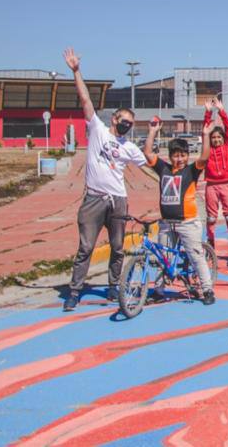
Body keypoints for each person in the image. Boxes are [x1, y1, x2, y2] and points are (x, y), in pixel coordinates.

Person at [61, 48, 150, 312]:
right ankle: (75, 291)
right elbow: (85, 99)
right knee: (85, 247)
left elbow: (151, 165)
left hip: (118, 201)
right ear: (114, 119)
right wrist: (76, 71)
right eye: (124, 121)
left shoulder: (129, 147)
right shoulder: (98, 130)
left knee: (118, 247)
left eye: (130, 124)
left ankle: (113, 286)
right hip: (94, 198)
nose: (126, 126)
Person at [144, 118, 217, 305]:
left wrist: (206, 135)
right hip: (167, 223)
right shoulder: (164, 170)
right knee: (164, 258)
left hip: (188, 222)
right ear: (170, 157)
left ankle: (207, 289)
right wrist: (152, 131)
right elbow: (147, 153)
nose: (180, 159)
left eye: (183, 155)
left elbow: (204, 157)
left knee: (195, 256)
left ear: (187, 155)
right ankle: (159, 290)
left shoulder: (192, 171)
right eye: (176, 155)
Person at [202, 98, 228, 256]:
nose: (216, 140)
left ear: (223, 138)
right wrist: (208, 112)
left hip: (226, 185)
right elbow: (205, 130)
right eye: (213, 137)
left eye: (219, 137)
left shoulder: (227, 146)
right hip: (211, 185)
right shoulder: (207, 149)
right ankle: (210, 242)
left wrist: (221, 111)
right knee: (211, 217)